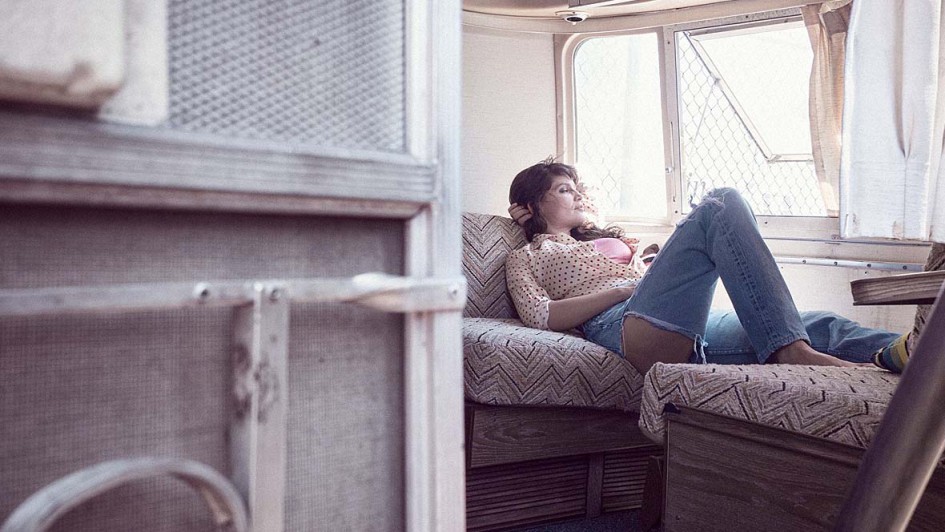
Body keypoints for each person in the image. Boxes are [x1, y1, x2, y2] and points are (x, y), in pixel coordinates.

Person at [505, 160, 910, 375]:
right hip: (624, 324)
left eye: (577, 189)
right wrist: (623, 291)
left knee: (821, 324)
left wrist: (647, 268)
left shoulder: (601, 237)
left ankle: (920, 355)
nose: (578, 196)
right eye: (564, 190)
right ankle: (792, 353)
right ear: (533, 203)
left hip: (679, 319)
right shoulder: (528, 255)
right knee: (720, 203)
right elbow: (542, 315)